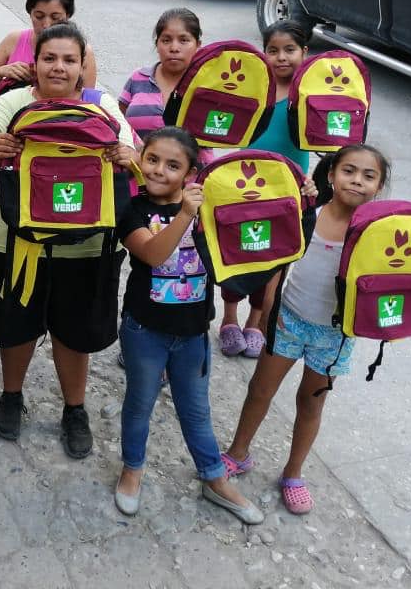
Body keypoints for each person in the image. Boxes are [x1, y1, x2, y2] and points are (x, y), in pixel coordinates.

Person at [0, 22, 137, 458]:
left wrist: (126, 154)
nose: (58, 67)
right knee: (16, 325)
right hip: (17, 240)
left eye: (69, 59)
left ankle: (74, 408)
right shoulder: (14, 101)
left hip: (85, 243)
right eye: (49, 58)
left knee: (74, 331)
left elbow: (133, 152)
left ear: (83, 65)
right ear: (34, 62)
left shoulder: (103, 105)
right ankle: (11, 395)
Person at [221, 145, 390, 516]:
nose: (357, 181)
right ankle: (238, 453)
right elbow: (280, 263)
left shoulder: (375, 232)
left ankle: (294, 474)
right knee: (259, 390)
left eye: (368, 176)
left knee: (310, 404)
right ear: (331, 174)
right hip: (289, 320)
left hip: (334, 333)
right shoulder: (306, 214)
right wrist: (266, 309)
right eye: (349, 171)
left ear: (379, 186)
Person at [112, 127, 263, 524]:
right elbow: (153, 254)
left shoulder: (208, 207)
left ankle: (214, 477)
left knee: (195, 411)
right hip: (144, 330)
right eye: (153, 160)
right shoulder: (133, 210)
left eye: (173, 165)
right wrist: (184, 215)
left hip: (194, 332)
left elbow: (260, 232)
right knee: (140, 404)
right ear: (141, 158)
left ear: (191, 173)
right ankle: (132, 469)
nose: (159, 170)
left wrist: (300, 205)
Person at [219, 20, 312, 358]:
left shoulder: (310, 95)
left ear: (305, 53)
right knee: (237, 251)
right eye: (272, 50)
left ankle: (256, 322)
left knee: (274, 259)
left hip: (289, 189)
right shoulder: (254, 86)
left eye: (290, 50)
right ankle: (229, 318)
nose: (281, 58)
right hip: (244, 183)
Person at [0, 0, 98, 98]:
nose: (46, 25)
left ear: (68, 15)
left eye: (55, 18)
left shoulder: (84, 51)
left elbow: (87, 103)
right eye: (39, 16)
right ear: (29, 12)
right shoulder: (14, 41)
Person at [118, 7, 205, 144]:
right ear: (157, 44)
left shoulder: (207, 84)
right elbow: (118, 123)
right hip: (136, 164)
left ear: (198, 45)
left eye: (184, 40)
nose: (174, 48)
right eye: (166, 40)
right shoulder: (138, 78)